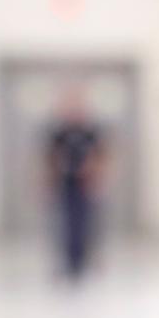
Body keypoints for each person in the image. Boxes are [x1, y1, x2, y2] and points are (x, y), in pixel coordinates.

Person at [47, 90, 106, 280]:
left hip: (87, 184)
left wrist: (96, 175)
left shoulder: (91, 132)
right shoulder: (59, 132)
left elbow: (103, 155)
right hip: (65, 183)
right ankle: (69, 262)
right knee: (66, 223)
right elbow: (49, 158)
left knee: (87, 223)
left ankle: (85, 260)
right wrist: (48, 180)